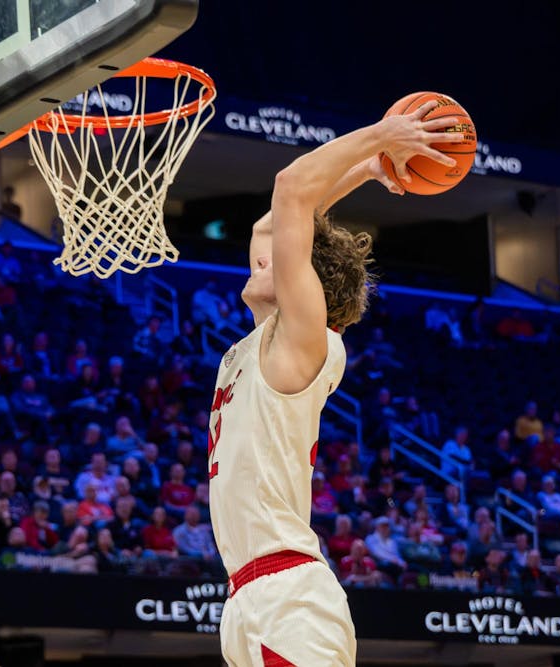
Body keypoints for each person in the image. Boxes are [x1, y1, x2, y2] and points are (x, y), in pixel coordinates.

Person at [205, 100, 464, 666]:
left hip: (289, 595)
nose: (261, 254)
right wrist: (367, 170)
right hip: (245, 597)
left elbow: (290, 188)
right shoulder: (265, 341)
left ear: (307, 287)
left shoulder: (302, 342)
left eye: (278, 258)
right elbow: (273, 221)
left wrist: (380, 135)